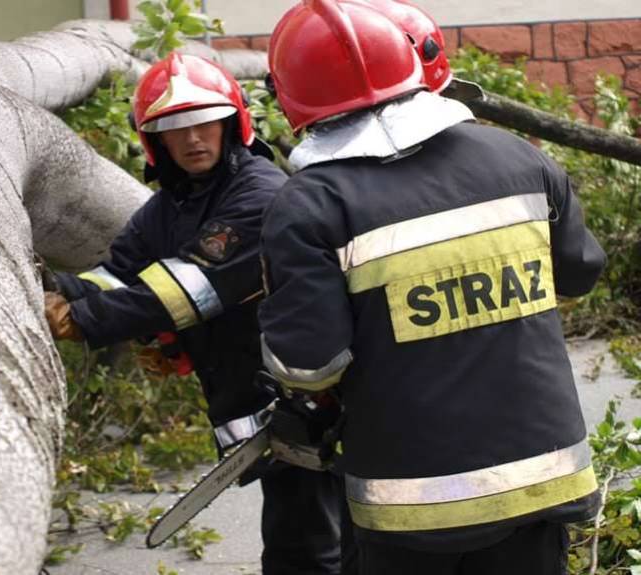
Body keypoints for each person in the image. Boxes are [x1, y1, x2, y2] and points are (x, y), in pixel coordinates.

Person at [257, 1, 607, 574]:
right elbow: (580, 271)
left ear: (293, 95)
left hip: (410, 509)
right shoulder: (520, 158)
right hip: (542, 482)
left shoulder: (309, 205)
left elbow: (310, 367)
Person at [43, 51, 354, 574]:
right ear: (154, 140)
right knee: (299, 540)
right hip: (257, 394)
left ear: (232, 123)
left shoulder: (259, 194)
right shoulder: (168, 208)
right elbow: (119, 276)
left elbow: (190, 290)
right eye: (174, 128)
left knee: (312, 547)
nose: (192, 139)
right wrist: (50, 289)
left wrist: (85, 320)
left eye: (203, 122)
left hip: (309, 393)